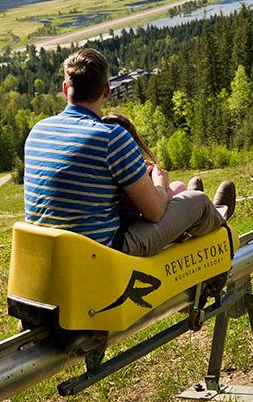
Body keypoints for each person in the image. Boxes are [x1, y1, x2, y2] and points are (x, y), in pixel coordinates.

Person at [23, 47, 237, 257]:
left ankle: (197, 216)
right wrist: (159, 182)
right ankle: (218, 216)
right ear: (106, 90)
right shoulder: (110, 137)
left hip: (47, 255)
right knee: (197, 201)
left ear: (64, 88)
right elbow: (154, 212)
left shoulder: (37, 132)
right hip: (103, 255)